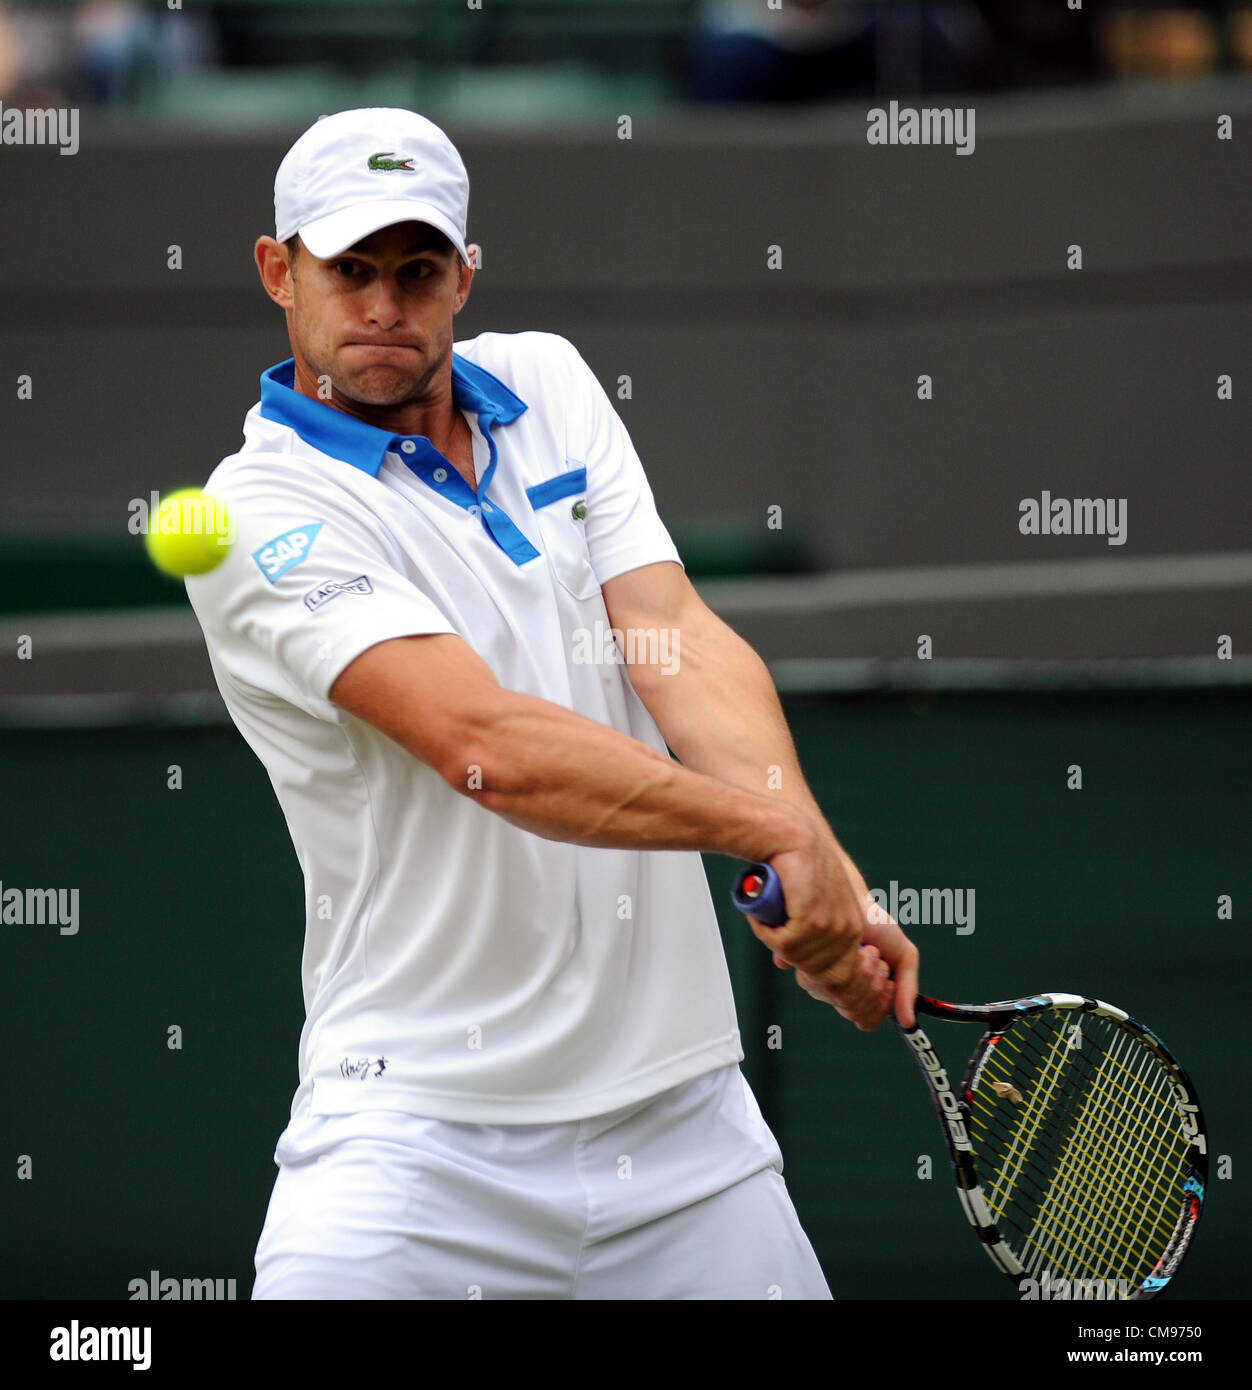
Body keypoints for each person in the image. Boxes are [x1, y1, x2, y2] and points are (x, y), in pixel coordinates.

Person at [185, 106, 920, 1300]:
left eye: (417, 270)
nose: (383, 303)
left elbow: (670, 633)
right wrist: (767, 833)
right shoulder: (254, 512)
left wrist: (819, 860)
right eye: (349, 269)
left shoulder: (550, 383)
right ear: (279, 271)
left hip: (687, 1136)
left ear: (465, 275)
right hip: (418, 1140)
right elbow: (487, 747)